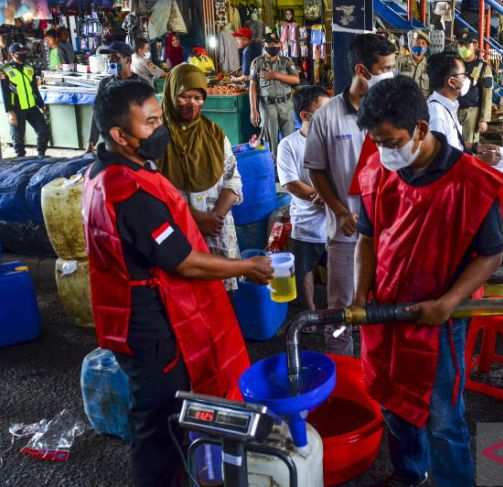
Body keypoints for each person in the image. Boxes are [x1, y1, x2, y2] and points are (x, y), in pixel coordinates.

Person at [82, 79, 274, 486]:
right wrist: (247, 266)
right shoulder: (124, 190)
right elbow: (184, 262)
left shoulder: (111, 168)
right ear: (120, 135)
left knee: (167, 412)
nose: (161, 127)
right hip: (148, 324)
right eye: (151, 122)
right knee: (160, 420)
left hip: (140, 312)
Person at [354, 75, 503, 487]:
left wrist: (448, 303)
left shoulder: (472, 182)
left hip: (438, 316)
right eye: (376, 142)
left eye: (391, 141)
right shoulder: (378, 170)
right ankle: (410, 474)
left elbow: (490, 254)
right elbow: (368, 239)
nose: (383, 151)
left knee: (442, 414)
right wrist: (359, 296)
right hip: (386, 308)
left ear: (421, 129)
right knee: (391, 400)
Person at [303, 33, 396, 355]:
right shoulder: (327, 116)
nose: (391, 74)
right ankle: (342, 373)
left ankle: (379, 367)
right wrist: (340, 211)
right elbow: (315, 169)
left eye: (393, 67)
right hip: (346, 231)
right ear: (361, 70)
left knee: (384, 302)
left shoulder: (392, 111)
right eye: (385, 68)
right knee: (341, 305)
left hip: (390, 230)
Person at [158, 64, 243, 295]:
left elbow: (232, 177)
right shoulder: (156, 139)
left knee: (225, 297)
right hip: (180, 230)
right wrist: (197, 218)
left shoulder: (214, 133)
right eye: (184, 97)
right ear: (171, 93)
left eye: (198, 98)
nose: (192, 104)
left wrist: (216, 216)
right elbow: (155, 192)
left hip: (218, 230)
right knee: (189, 297)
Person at [277, 85, 330, 320]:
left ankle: (338, 313)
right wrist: (322, 198)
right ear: (305, 116)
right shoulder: (288, 145)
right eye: (322, 110)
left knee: (338, 269)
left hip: (335, 219)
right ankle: (309, 313)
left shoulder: (334, 140)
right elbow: (290, 183)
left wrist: (332, 201)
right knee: (305, 269)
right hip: (305, 220)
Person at [249, 32, 300, 160]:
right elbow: (252, 88)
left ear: (280, 44)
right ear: (264, 45)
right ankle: (274, 168)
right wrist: (253, 110)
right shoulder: (257, 63)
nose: (273, 46)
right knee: (270, 140)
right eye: (270, 43)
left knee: (289, 137)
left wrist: (275, 75)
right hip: (267, 106)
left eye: (276, 43)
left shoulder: (286, 62)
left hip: (286, 105)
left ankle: (290, 166)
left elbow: (296, 80)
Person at [86, 42, 141, 153]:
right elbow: (97, 113)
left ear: (128, 60)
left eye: (116, 58)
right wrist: (91, 142)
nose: (111, 61)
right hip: (111, 143)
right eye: (110, 58)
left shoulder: (141, 84)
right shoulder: (104, 84)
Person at [1, 43, 49, 157]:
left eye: (24, 52)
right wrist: (9, 111)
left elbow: (34, 89)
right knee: (18, 137)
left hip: (32, 107)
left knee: (43, 130)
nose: (23, 54)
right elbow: (5, 92)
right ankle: (20, 158)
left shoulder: (29, 68)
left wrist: (42, 106)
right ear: (12, 54)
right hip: (16, 108)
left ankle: (41, 155)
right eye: (20, 52)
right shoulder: (5, 70)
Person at [456, 32, 493, 154]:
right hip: (454, 109)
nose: (463, 48)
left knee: (469, 147)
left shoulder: (483, 67)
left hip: (472, 113)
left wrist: (484, 118)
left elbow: (487, 94)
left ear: (475, 46)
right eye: (460, 45)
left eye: (466, 46)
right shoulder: (454, 64)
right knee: (454, 145)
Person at [427, 51, 467, 151]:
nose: (466, 79)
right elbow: (440, 161)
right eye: (463, 75)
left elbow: (453, 144)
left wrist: (476, 147)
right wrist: (479, 159)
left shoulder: (448, 106)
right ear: (451, 81)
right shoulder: (437, 116)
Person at [395, 29, 431, 98]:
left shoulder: (430, 65)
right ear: (411, 44)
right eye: (417, 42)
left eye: (423, 43)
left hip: (422, 106)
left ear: (427, 47)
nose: (420, 46)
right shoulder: (400, 61)